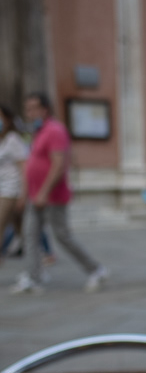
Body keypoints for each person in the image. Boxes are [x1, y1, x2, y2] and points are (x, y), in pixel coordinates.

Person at [11, 92, 107, 295]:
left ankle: (95, 269)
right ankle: (33, 277)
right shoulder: (38, 132)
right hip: (35, 196)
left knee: (63, 236)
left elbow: (58, 164)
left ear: (44, 109)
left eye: (33, 108)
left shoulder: (55, 130)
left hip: (52, 197)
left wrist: (44, 192)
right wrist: (27, 194)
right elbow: (32, 165)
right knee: (30, 235)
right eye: (27, 108)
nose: (29, 113)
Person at [0, 104, 28, 263]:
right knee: (22, 229)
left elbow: (23, 168)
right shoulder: (1, 141)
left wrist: (23, 194)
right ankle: (39, 254)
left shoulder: (13, 140)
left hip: (11, 190)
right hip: (1, 188)